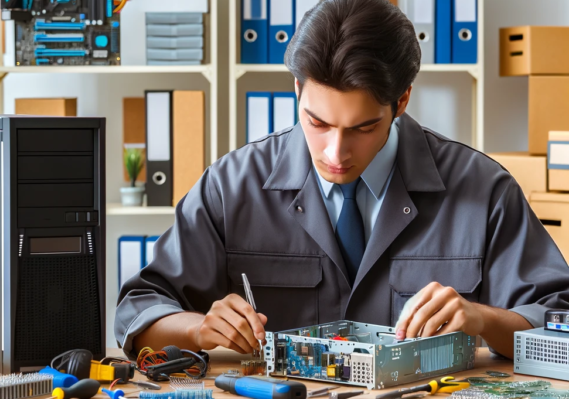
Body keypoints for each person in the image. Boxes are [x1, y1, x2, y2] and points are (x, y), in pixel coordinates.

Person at [115, 0, 569, 360]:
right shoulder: (231, 187)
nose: (335, 152)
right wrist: (198, 328)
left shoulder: (484, 189)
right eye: (316, 122)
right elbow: (137, 312)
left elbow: (560, 324)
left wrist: (483, 320)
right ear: (296, 89)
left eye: (363, 127)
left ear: (402, 100)